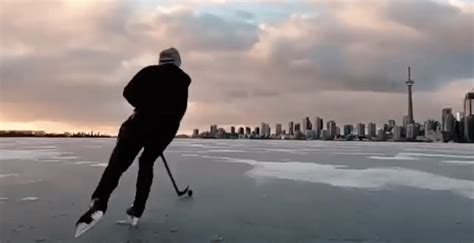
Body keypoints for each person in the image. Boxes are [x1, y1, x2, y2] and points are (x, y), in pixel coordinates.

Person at [75, 47, 191, 236]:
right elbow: (180, 111)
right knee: (146, 162)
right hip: (166, 130)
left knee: (118, 164)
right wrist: (163, 122)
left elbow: (128, 92)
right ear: (177, 61)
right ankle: (137, 211)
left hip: (140, 123)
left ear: (161, 60)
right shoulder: (183, 81)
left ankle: (100, 201)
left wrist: (145, 106)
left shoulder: (149, 72)